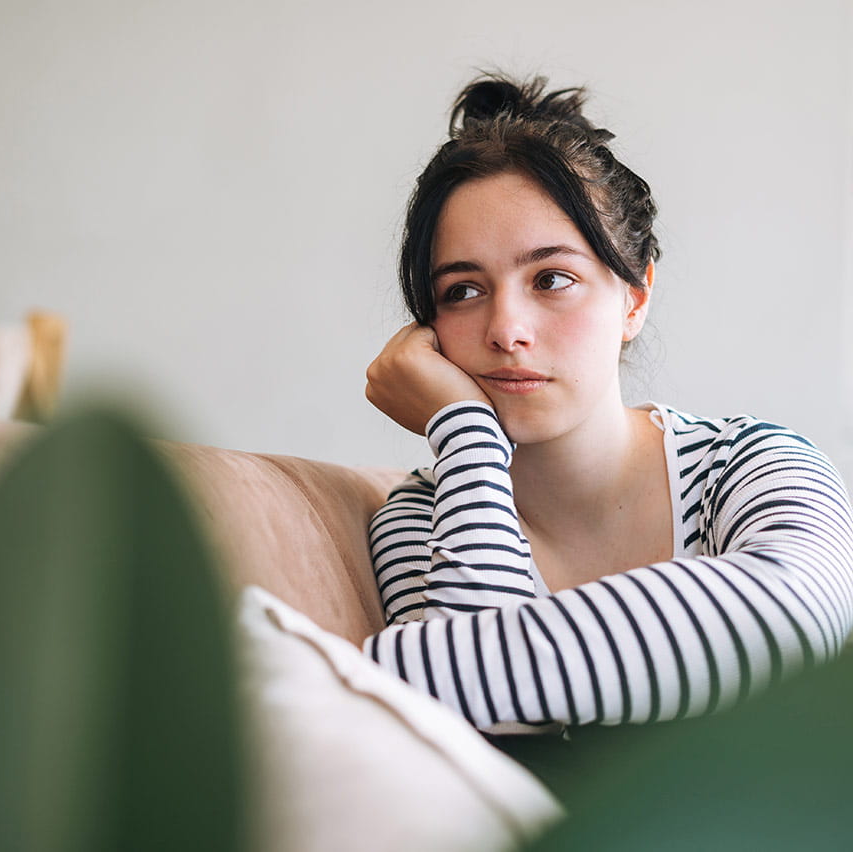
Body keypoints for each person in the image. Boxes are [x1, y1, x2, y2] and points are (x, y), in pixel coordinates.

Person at [358, 73, 853, 793]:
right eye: (462, 291)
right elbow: (468, 751)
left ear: (635, 296)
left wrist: (397, 668)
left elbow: (798, 618)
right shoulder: (422, 516)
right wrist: (463, 433)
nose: (506, 330)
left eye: (551, 279)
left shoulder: (750, 465)